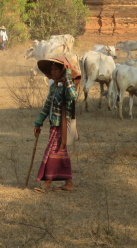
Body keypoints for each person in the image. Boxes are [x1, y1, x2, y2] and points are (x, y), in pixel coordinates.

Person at [33, 57, 80, 193]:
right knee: (60, 153)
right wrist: (38, 122)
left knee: (53, 152)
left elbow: (72, 96)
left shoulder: (68, 85)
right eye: (51, 69)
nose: (53, 72)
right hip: (54, 125)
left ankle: (47, 182)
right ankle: (69, 182)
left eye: (56, 69)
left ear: (62, 71)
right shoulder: (54, 86)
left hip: (63, 127)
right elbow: (47, 106)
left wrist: (68, 77)